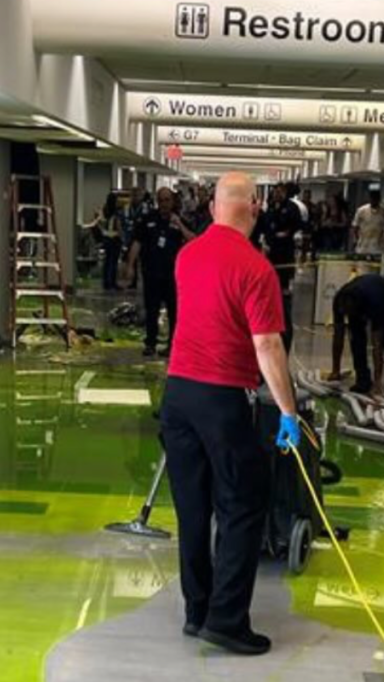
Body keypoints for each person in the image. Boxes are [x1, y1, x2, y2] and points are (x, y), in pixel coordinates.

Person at [162, 171, 300, 656]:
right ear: (255, 207)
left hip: (176, 396)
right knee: (242, 503)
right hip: (221, 398)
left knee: (193, 508)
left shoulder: (186, 255)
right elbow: (266, 344)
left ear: (213, 207)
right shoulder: (256, 267)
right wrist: (288, 411)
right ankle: (225, 621)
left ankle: (196, 612)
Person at [126, 188, 186, 357]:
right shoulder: (147, 220)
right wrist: (130, 266)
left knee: (174, 311)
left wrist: (180, 225)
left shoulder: (179, 220)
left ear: (172, 202)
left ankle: (172, 345)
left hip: (173, 276)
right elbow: (137, 242)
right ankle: (150, 343)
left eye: (167, 200)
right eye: (161, 200)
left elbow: (195, 240)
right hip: (151, 273)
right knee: (151, 310)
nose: (164, 204)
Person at [327, 274, 384, 395]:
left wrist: (377, 383)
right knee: (356, 341)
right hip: (364, 294)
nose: (346, 316)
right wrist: (335, 370)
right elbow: (338, 335)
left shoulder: (376, 302)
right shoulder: (339, 301)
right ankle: (363, 380)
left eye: (349, 313)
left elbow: (377, 344)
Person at [84, 193, 124, 291]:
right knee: (113, 262)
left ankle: (106, 283)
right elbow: (118, 226)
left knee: (107, 262)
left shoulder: (104, 210)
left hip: (106, 237)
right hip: (115, 238)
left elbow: (97, 221)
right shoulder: (117, 212)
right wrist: (122, 237)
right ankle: (113, 283)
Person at [352, 189, 384, 256]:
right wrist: (356, 239)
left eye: (376, 198)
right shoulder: (361, 211)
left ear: (379, 199)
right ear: (369, 199)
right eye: (372, 198)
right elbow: (355, 226)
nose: (374, 200)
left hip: (378, 247)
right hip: (363, 246)